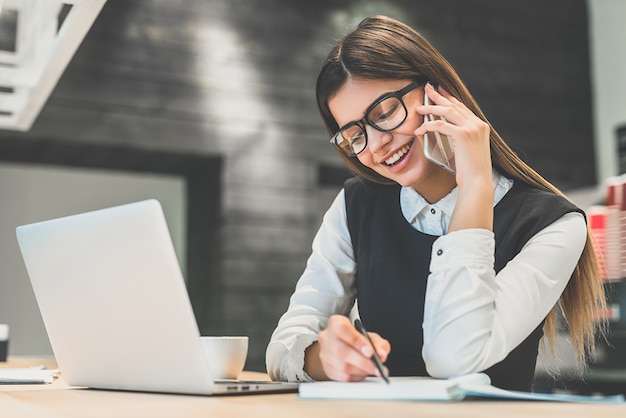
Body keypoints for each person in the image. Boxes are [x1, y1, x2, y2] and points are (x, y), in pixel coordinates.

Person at [265, 15, 606, 391]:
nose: (377, 144)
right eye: (354, 134)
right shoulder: (355, 205)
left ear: (436, 91)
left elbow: (453, 358)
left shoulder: (553, 225)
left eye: (386, 112)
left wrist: (475, 185)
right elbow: (283, 347)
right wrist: (322, 359)